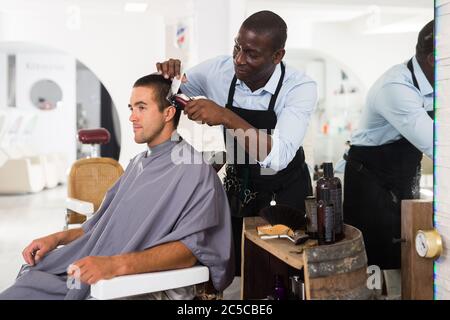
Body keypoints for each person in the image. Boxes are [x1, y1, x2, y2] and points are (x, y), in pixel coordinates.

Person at [0, 74, 234, 300]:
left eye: (141, 107)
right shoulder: (137, 164)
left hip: (128, 284)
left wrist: (113, 265)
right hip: (94, 269)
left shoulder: (195, 172)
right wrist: (57, 238)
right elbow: (101, 228)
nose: (132, 117)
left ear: (168, 113)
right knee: (28, 284)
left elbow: (188, 252)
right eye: (131, 108)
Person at [156, 10, 317, 275]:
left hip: (285, 191)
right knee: (240, 268)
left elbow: (277, 157)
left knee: (284, 270)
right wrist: (168, 78)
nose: (239, 60)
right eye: (237, 48)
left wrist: (225, 116)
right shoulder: (217, 71)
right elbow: (171, 94)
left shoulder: (299, 87)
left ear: (277, 56)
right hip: (240, 189)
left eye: (252, 54)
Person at [343, 21, 434, 272]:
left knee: (405, 261)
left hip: (401, 182)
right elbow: (437, 146)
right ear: (434, 59)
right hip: (371, 187)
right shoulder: (397, 87)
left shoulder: (437, 84)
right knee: (376, 266)